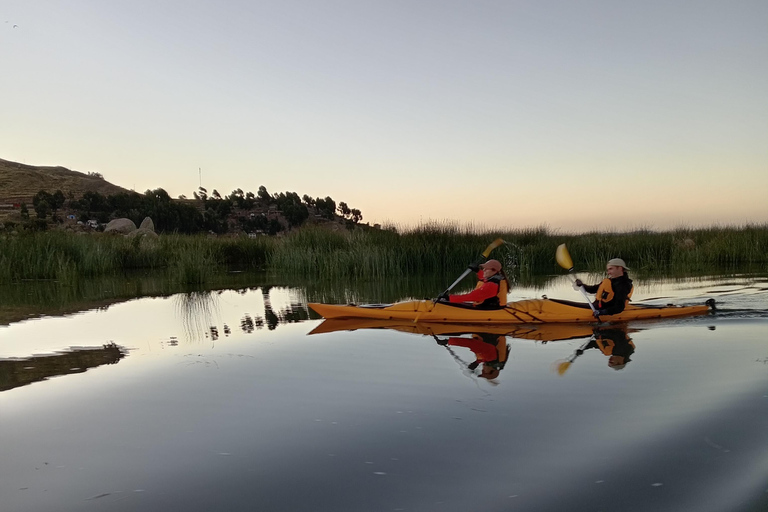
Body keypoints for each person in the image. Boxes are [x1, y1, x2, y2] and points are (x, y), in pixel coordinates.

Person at [435, 332, 510, 380]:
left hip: (488, 333)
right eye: (484, 371)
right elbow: (471, 343)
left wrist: (477, 362)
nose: (482, 369)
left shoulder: (493, 359)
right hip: (487, 331)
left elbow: (485, 353)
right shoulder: (491, 357)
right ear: (491, 370)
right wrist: (448, 341)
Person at [437, 259, 509, 309]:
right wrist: (477, 271)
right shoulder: (496, 278)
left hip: (492, 308)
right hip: (490, 306)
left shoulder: (492, 285)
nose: (483, 270)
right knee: (481, 282)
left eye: (486, 268)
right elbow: (483, 279)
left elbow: (471, 297)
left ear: (494, 271)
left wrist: (449, 298)